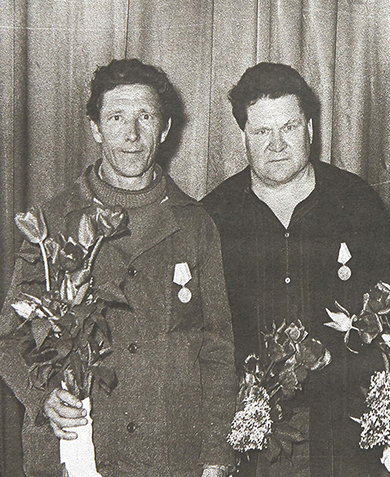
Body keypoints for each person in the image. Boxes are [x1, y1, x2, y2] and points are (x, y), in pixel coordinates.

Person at [0, 59, 237, 476]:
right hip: (73, 450)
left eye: (146, 117)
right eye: (116, 117)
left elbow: (217, 347)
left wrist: (216, 455)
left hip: (169, 457)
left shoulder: (195, 224)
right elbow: (10, 334)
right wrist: (44, 396)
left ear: (164, 129)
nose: (132, 134)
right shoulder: (52, 221)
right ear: (95, 128)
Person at [201, 62, 390, 477]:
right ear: (243, 136)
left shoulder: (357, 203)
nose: (276, 144)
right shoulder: (214, 216)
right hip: (249, 437)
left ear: (310, 128)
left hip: (343, 431)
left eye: (288, 127)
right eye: (261, 132)